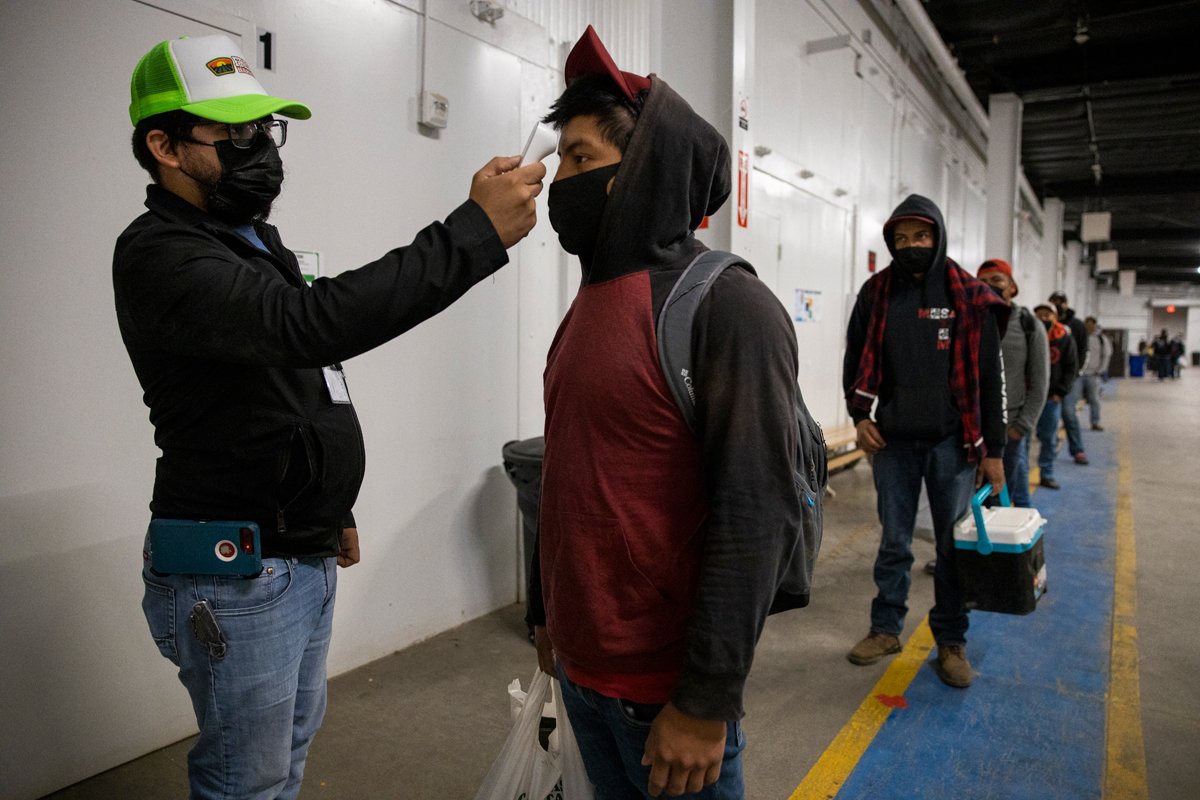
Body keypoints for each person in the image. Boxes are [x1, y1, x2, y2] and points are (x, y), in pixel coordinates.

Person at [115, 34, 544, 799]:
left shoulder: (248, 242)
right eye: (234, 133)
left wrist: (327, 506)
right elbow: (310, 327)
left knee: (284, 758)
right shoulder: (161, 255)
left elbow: (294, 383)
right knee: (247, 780)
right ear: (165, 146)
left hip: (292, 547)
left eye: (265, 128)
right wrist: (471, 236)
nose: (260, 148)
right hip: (234, 567)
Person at [530, 26, 803, 799]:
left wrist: (707, 699)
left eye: (580, 158)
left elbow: (757, 508)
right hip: (582, 671)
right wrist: (548, 612)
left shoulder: (727, 306)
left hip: (666, 697)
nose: (558, 181)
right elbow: (567, 471)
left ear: (644, 164)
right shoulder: (587, 306)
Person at [842, 195, 1008, 689]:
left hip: (952, 444)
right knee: (894, 542)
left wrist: (995, 452)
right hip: (892, 442)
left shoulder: (970, 296)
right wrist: (859, 417)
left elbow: (988, 379)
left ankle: (951, 640)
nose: (910, 245)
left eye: (920, 236)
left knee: (952, 548)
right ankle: (885, 628)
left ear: (937, 236)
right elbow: (855, 358)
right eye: (900, 238)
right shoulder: (877, 292)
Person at [976, 260, 1049, 507]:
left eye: (997, 280)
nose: (990, 286)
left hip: (1009, 428)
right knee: (970, 499)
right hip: (971, 428)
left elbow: (1040, 382)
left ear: (1012, 287)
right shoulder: (969, 320)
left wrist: (1021, 427)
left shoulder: (1030, 326)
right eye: (983, 282)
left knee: (999, 497)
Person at [1033, 305, 1080, 490]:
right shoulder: (1029, 334)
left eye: (1048, 315)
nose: (1043, 318)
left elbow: (1071, 368)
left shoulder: (1064, 339)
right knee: (1023, 439)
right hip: (1029, 397)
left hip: (1051, 397)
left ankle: (1047, 473)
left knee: (1049, 437)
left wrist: (1060, 392)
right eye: (1040, 315)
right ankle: (1016, 481)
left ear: (1055, 317)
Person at [1049, 291, 1089, 465]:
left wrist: (1074, 375)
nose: (1058, 304)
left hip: (1068, 380)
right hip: (1047, 381)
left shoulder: (1077, 326)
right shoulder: (1047, 324)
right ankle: (1049, 453)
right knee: (1047, 420)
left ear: (1066, 303)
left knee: (1068, 414)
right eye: (1054, 301)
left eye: (1060, 301)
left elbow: (1083, 352)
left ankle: (1077, 450)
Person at [1081, 317, 1113, 431]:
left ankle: (1095, 422)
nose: (1089, 327)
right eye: (1087, 324)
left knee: (1094, 400)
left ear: (1095, 326)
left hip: (1093, 374)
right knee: (1070, 400)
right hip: (1078, 375)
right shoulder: (1079, 336)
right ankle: (1068, 422)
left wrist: (1101, 370)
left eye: (1091, 325)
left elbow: (1106, 355)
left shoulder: (1101, 339)